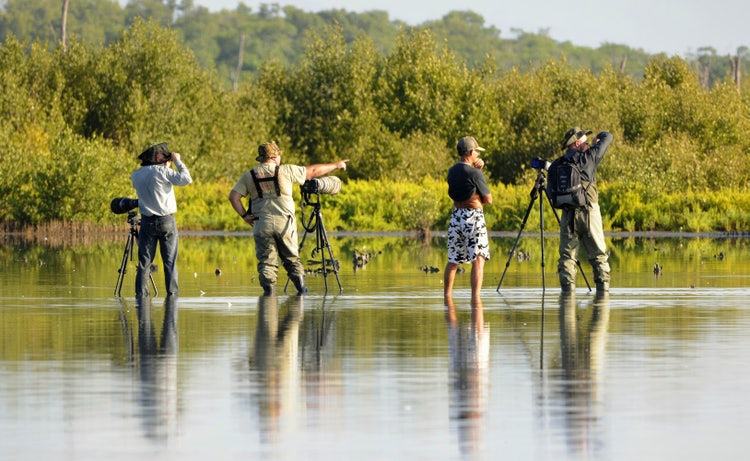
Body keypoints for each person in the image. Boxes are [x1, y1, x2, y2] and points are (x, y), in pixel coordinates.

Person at [228, 141, 348, 295]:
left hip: (261, 224)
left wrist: (245, 216)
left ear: (261, 158)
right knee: (292, 259)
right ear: (275, 157)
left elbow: (233, 197)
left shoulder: (249, 175)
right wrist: (336, 165)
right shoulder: (286, 171)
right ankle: (302, 292)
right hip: (285, 224)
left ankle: (269, 297)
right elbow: (314, 170)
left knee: (266, 263)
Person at [131, 142, 193, 297]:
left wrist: (166, 164)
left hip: (146, 222)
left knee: (144, 263)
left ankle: (141, 296)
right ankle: (172, 296)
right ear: (158, 157)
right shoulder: (163, 171)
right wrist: (177, 161)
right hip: (166, 221)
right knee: (169, 262)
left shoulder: (136, 175)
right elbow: (186, 179)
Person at [556, 127, 613, 293]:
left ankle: (567, 300)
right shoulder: (589, 157)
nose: (588, 142)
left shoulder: (559, 163)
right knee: (599, 256)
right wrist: (597, 138)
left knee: (567, 258)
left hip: (568, 215)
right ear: (577, 142)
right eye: (585, 140)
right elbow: (608, 137)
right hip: (589, 211)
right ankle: (603, 295)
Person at [444, 136, 493, 301]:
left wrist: (477, 171)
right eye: (477, 152)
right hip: (474, 219)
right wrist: (478, 172)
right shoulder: (474, 172)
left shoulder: (452, 171)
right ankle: (475, 299)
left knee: (453, 260)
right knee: (478, 260)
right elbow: (488, 200)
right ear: (471, 152)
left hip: (456, 216)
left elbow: (464, 186)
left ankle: (447, 296)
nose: (478, 156)